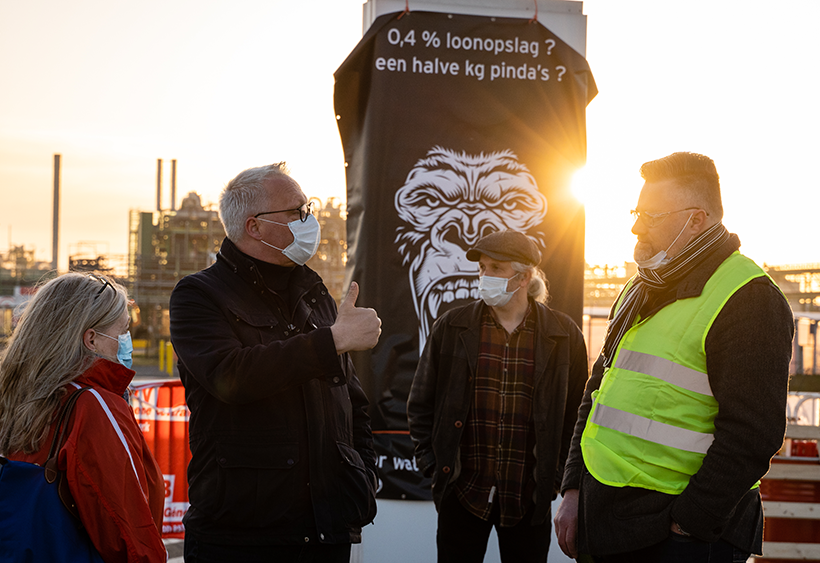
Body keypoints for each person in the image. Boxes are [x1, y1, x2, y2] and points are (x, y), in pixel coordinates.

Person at [554, 152, 794, 562]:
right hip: (610, 521)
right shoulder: (641, 286)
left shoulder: (749, 299)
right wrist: (574, 487)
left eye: (650, 215)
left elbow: (753, 435)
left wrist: (689, 524)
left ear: (696, 220)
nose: (635, 226)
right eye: (636, 212)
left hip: (680, 538)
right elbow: (599, 390)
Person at [169, 162, 382, 563]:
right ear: (255, 226)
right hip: (242, 538)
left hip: (325, 532)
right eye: (298, 211)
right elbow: (230, 376)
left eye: (310, 209)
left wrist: (363, 475)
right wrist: (331, 340)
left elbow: (353, 404)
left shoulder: (314, 292)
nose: (310, 220)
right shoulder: (199, 296)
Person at [407, 230, 589, 563]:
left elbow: (578, 417)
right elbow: (421, 404)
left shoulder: (564, 336)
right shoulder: (451, 327)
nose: (485, 276)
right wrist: (435, 467)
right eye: (482, 268)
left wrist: (554, 479)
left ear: (524, 277)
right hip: (462, 495)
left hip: (527, 499)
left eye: (496, 268)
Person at [0, 272, 166, 562]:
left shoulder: (17, 393)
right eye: (122, 331)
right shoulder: (94, 405)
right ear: (91, 338)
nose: (124, 342)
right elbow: (126, 529)